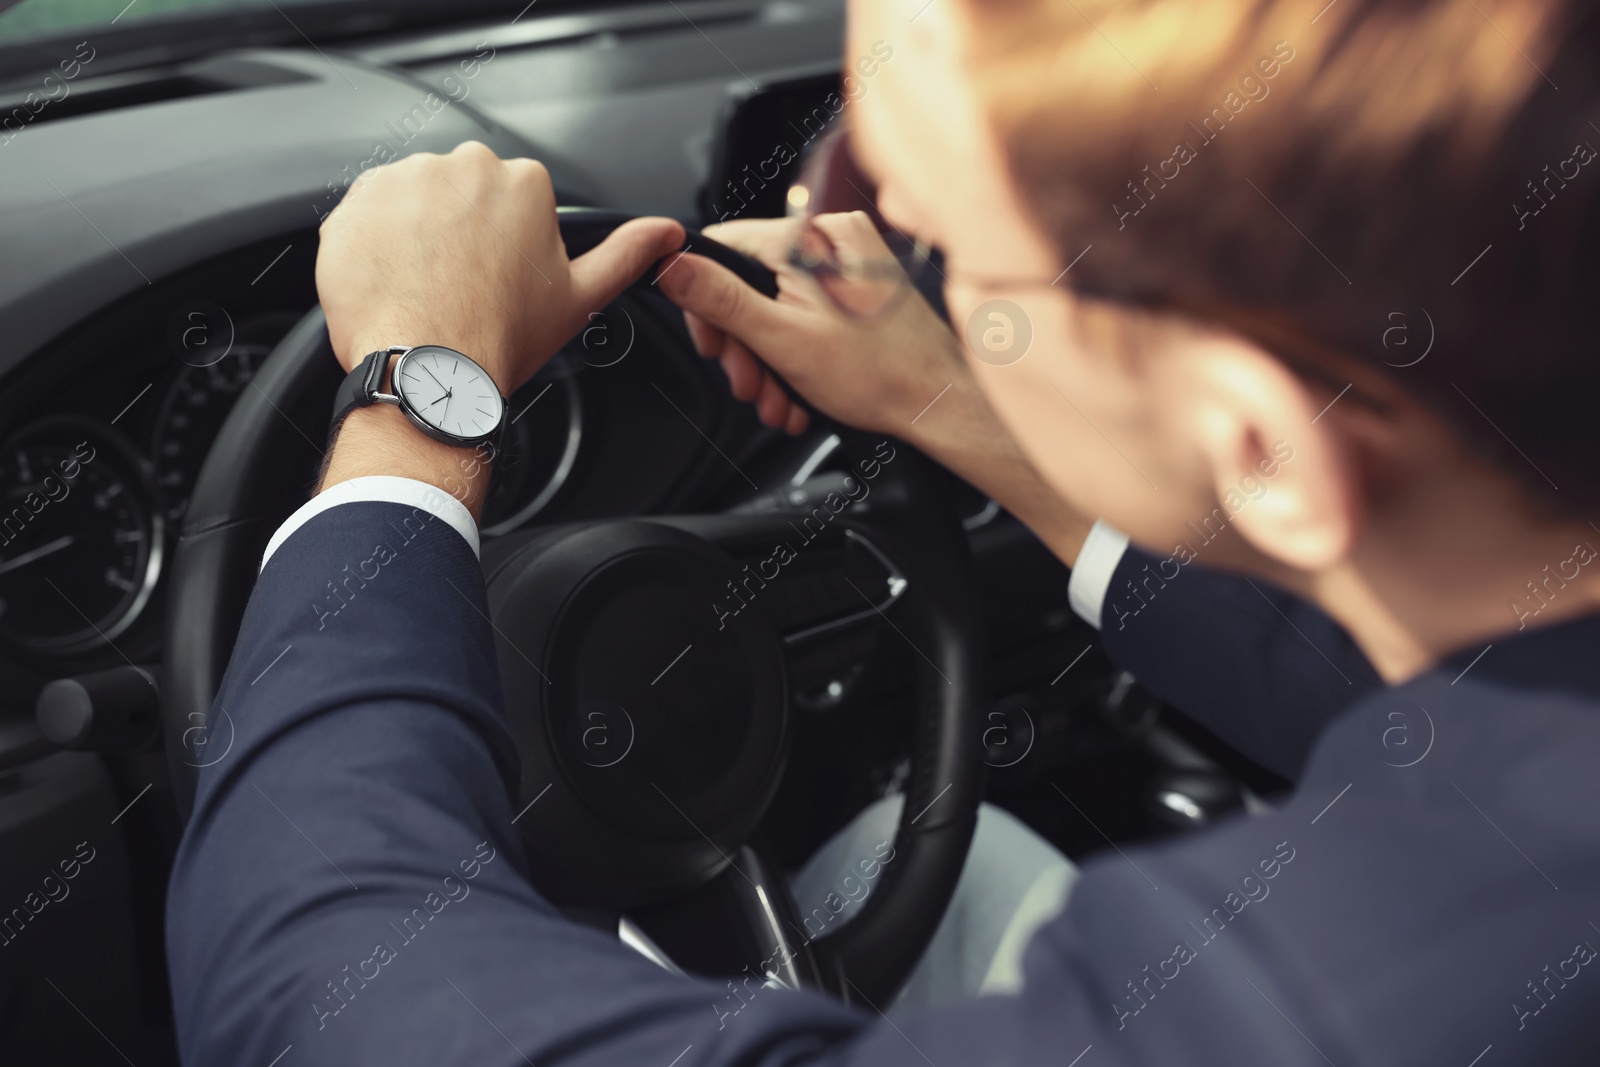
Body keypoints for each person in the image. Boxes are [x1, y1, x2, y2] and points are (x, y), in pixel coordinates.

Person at [166, 0, 1600, 1064]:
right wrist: (945, 393)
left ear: (1260, 448)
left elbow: (312, 979)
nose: (846, 215)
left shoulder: (1326, 1012)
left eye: (947, 241)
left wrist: (417, 399)